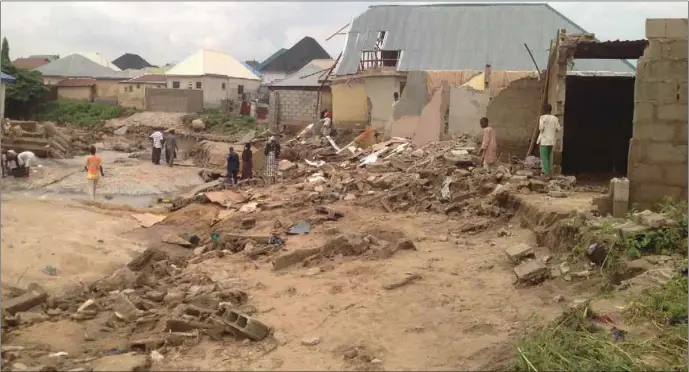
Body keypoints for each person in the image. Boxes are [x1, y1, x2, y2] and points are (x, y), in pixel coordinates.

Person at [537, 104, 561, 178]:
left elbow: (541, 128)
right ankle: (550, 172)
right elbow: (558, 129)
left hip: (544, 140)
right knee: (549, 157)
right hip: (551, 141)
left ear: (545, 110)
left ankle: (546, 173)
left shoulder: (543, 118)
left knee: (544, 157)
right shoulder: (555, 118)